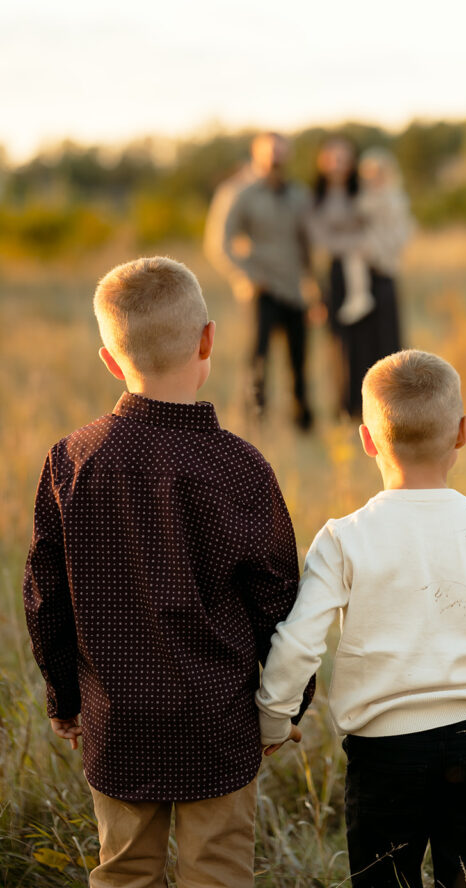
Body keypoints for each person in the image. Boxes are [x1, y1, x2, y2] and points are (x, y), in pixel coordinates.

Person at [24, 256, 312, 888]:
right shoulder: (239, 467)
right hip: (218, 723)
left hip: (116, 721)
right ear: (208, 339)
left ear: (109, 359)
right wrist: (287, 705)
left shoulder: (72, 461)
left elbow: (46, 597)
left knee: (123, 871)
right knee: (218, 871)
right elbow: (280, 601)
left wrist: (65, 699)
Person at [255, 349, 466, 888]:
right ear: (462, 433)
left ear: (366, 439)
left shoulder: (344, 538)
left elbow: (299, 642)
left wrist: (274, 717)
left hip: (384, 757)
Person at [204, 132, 314, 429]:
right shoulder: (237, 192)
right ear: (256, 154)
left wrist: (313, 283)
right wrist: (248, 276)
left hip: (293, 288)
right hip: (258, 290)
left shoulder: (298, 194)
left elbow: (307, 242)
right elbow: (218, 243)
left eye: (280, 152)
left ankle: (303, 422)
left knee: (299, 360)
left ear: (288, 155)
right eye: (269, 152)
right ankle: (255, 423)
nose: (275, 158)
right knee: (257, 361)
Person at [309, 137, 407, 417]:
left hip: (379, 273)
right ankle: (350, 409)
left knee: (385, 343)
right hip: (341, 276)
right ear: (321, 161)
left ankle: (391, 408)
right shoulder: (315, 199)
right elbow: (320, 242)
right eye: (332, 157)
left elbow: (394, 227)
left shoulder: (364, 190)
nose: (338, 164)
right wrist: (354, 245)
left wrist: (376, 249)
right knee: (347, 348)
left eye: (344, 158)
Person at [337, 147, 414, 325]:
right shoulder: (369, 196)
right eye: (369, 175)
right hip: (374, 246)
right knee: (354, 255)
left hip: (384, 245)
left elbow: (401, 229)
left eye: (378, 174)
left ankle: (360, 296)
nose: (374, 179)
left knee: (354, 253)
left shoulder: (393, 197)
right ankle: (359, 295)